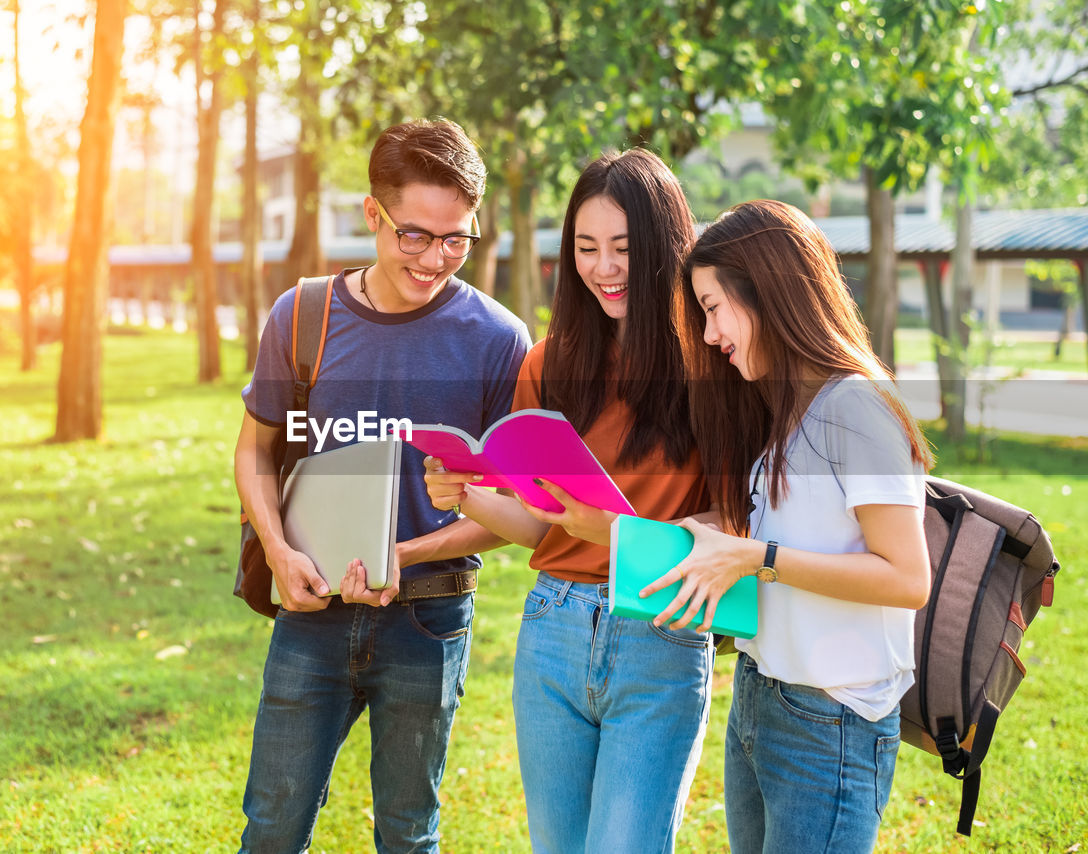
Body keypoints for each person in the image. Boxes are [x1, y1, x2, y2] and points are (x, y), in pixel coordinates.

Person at [234, 118, 531, 854]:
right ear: (373, 214)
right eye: (415, 235)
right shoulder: (301, 316)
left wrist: (409, 550)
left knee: (407, 835)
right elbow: (254, 453)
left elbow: (517, 511)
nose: (435, 259)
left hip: (428, 622)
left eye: (456, 239)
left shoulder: (499, 342)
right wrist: (275, 550)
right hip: (313, 610)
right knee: (271, 831)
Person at [424, 148, 712, 854]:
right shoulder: (551, 361)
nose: (604, 267)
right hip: (552, 628)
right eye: (586, 248)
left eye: (623, 247)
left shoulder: (711, 359)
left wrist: (613, 530)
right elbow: (539, 525)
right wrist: (467, 493)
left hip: (658, 625)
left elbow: (734, 522)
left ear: (664, 247)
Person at [653, 199, 933, 853]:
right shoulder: (786, 413)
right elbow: (783, 538)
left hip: (830, 720)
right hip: (761, 697)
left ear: (769, 292)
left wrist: (758, 557)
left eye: (714, 307)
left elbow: (906, 577)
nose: (711, 332)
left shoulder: (857, 407)